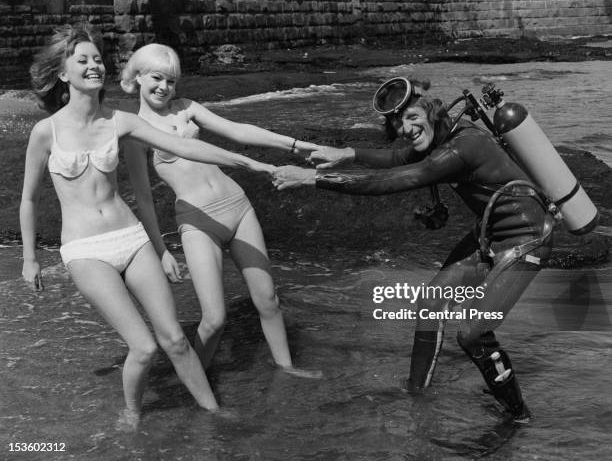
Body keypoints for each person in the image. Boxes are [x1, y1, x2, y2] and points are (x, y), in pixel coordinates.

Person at [20, 25, 278, 429]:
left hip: (132, 238)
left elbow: (183, 145)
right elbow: (29, 199)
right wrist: (30, 258)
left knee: (174, 339)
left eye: (97, 59)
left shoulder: (119, 121)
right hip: (85, 250)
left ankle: (214, 413)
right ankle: (132, 413)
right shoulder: (45, 132)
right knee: (142, 347)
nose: (94, 66)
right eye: (82, 60)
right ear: (63, 73)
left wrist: (248, 162)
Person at [272, 77, 555, 422]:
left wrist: (310, 178)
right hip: (490, 232)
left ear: (432, 110)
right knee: (432, 300)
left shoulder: (462, 147)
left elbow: (396, 179)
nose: (405, 128)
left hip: (527, 236)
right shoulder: (444, 133)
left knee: (471, 332)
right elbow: (397, 157)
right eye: (397, 122)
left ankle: (517, 415)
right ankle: (417, 392)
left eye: (412, 117)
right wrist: (347, 153)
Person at [119, 43, 322, 379]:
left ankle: (286, 369)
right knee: (214, 319)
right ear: (137, 77)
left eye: (171, 81)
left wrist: (295, 145)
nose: (164, 88)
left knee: (268, 299)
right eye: (157, 78)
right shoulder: (134, 132)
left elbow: (237, 131)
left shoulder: (186, 108)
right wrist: (161, 251)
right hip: (197, 222)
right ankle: (194, 383)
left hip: (238, 206)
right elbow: (143, 198)